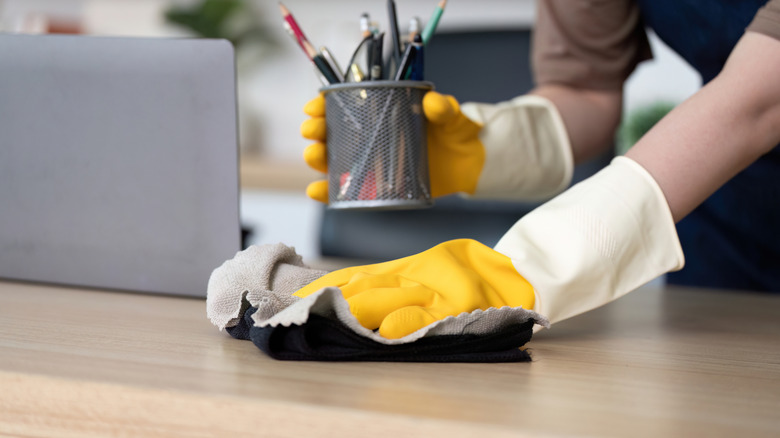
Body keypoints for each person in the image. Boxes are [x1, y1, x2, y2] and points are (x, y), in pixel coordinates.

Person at [294, 0, 780, 339]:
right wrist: (488, 146)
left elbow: (764, 96)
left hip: (735, 133)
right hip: (725, 201)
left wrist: (542, 260)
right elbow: (586, 88)